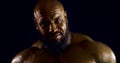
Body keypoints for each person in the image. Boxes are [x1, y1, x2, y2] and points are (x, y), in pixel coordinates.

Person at [11, 0, 116, 63]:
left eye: (57, 21)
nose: (52, 28)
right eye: (44, 24)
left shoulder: (98, 53)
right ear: (36, 25)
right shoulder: (24, 60)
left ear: (65, 17)